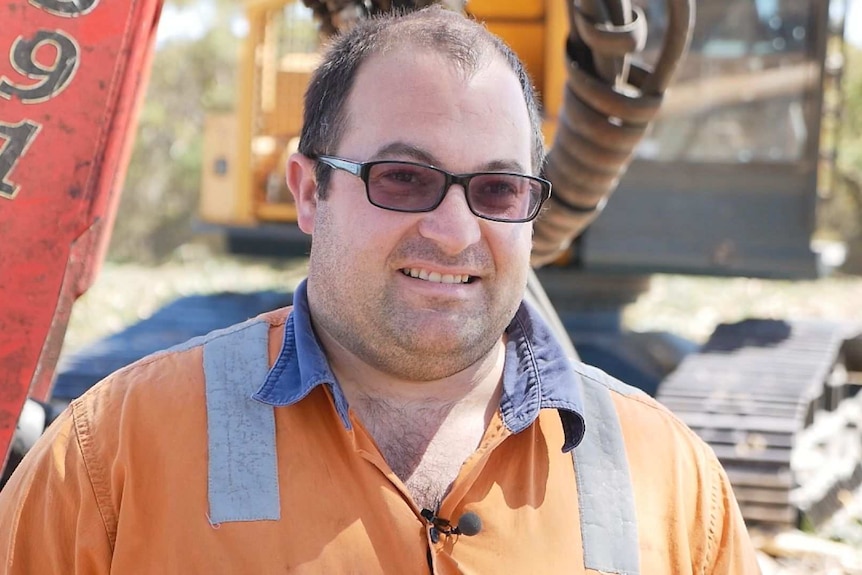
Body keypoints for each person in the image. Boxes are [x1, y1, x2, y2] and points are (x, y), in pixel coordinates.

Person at [0, 6, 761, 573]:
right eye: (404, 178)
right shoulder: (113, 457)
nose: (456, 231)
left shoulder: (671, 478)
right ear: (308, 191)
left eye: (497, 189)